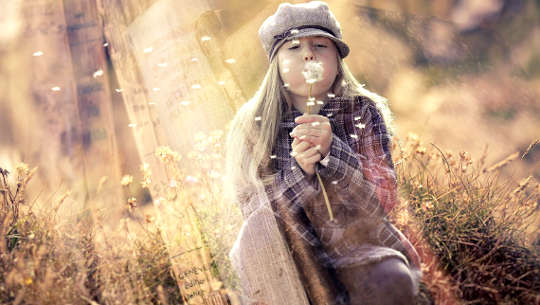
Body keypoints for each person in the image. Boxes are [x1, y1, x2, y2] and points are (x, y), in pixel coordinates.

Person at [225, 2, 422, 305]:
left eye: (320, 45)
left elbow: (385, 198)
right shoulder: (255, 124)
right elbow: (253, 213)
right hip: (289, 255)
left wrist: (336, 153)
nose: (308, 54)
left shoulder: (362, 111)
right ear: (275, 63)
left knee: (391, 282)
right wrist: (299, 173)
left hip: (360, 246)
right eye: (293, 47)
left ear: (338, 59)